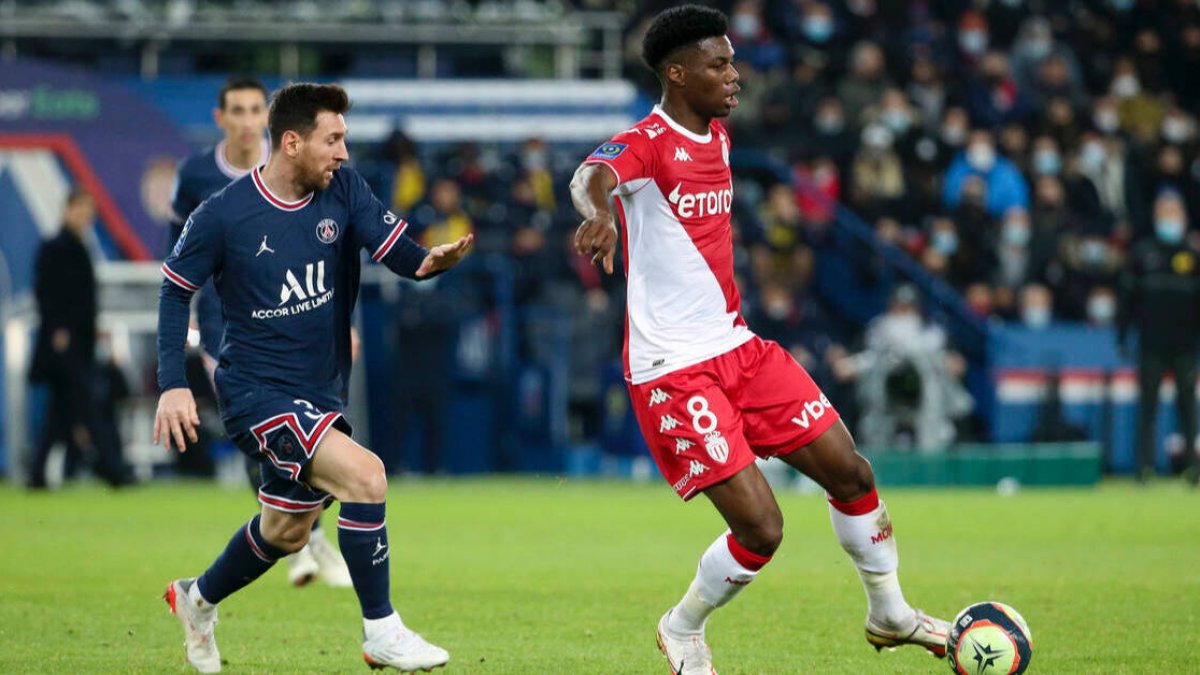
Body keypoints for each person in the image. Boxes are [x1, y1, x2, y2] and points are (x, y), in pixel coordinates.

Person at [569, 6, 949, 673]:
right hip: (674, 369)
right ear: (678, 73)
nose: (734, 74)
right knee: (763, 528)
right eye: (719, 65)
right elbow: (591, 173)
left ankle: (889, 611)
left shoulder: (717, 137)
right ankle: (682, 627)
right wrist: (601, 211)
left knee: (851, 471)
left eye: (733, 60)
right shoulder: (648, 141)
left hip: (740, 349)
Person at [157, 83, 472, 673]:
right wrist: (172, 382)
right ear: (293, 141)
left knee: (286, 531)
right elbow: (175, 292)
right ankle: (381, 630)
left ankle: (196, 599)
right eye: (333, 139)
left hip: (320, 388)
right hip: (256, 393)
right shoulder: (223, 213)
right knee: (367, 476)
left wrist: (430, 262)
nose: (344, 153)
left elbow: (395, 247)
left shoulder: (344, 189)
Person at [169, 75, 352, 589]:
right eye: (238, 111)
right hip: (226, 330)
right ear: (220, 118)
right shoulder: (201, 179)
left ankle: (297, 533)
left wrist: (345, 321)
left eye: (256, 110)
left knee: (314, 430)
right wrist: (182, 329)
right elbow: (179, 259)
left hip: (301, 330)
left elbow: (328, 254)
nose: (248, 120)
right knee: (267, 433)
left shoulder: (302, 172)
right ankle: (307, 538)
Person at [27, 189, 131, 489]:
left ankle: (37, 474)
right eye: (82, 211)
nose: (86, 218)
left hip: (79, 343)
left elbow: (83, 300)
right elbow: (47, 294)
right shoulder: (56, 247)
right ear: (68, 209)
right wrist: (59, 329)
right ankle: (114, 470)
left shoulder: (78, 247)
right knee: (88, 408)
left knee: (57, 416)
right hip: (65, 345)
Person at [1117, 189, 1200, 484]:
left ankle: (1193, 467)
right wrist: (1122, 335)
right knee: (1148, 407)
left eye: (1174, 213)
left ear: (1184, 218)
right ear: (1155, 217)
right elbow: (1127, 299)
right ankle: (1144, 467)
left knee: (1188, 408)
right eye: (1165, 213)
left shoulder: (1192, 255)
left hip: (1184, 345)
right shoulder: (1142, 253)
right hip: (1151, 344)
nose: (1170, 219)